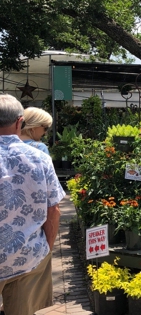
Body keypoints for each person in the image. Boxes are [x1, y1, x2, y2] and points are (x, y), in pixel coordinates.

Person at [0, 94, 65, 315]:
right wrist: (47, 246)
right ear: (20, 122)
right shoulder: (39, 157)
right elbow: (53, 209)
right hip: (27, 256)